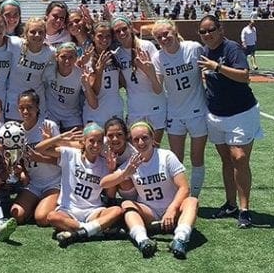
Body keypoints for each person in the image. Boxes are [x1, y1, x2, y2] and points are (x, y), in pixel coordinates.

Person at [197, 16, 263, 228]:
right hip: (216, 114)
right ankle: (230, 204)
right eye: (203, 32)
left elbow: (245, 76)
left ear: (220, 29)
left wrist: (217, 67)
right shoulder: (204, 52)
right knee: (226, 159)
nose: (207, 34)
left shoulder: (231, 48)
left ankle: (245, 209)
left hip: (241, 112)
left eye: (211, 30)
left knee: (239, 157)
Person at [101, 121, 198, 259]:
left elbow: (184, 188)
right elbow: (104, 183)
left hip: (172, 208)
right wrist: (124, 173)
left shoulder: (166, 156)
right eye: (136, 139)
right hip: (149, 211)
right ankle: (143, 240)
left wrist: (172, 209)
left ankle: (180, 239)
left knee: (192, 201)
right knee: (126, 204)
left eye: (145, 137)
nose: (141, 142)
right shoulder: (132, 162)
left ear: (153, 138)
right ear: (132, 142)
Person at [36, 123, 124, 248]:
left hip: (93, 210)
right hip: (68, 209)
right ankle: (92, 231)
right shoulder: (70, 154)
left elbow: (110, 194)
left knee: (117, 211)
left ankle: (75, 231)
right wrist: (59, 138)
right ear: (83, 141)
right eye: (91, 141)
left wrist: (111, 170)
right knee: (52, 216)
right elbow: (39, 149)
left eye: (99, 142)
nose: (95, 145)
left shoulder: (105, 163)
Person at [151, 20, 208, 197]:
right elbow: (158, 87)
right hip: (174, 113)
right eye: (159, 37)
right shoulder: (158, 58)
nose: (163, 38)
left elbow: (206, 71)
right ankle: (178, 197)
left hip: (197, 111)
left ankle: (194, 197)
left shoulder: (193, 48)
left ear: (175, 31)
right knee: (176, 159)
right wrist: (147, 70)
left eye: (166, 33)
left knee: (197, 158)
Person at [10, 90, 61, 226]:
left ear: (37, 107)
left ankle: (58, 203)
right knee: (16, 215)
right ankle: (38, 204)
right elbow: (19, 161)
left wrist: (41, 158)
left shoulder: (49, 126)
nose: (25, 111)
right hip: (34, 184)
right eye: (21, 108)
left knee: (41, 218)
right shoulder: (16, 131)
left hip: (54, 182)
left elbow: (64, 160)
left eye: (29, 107)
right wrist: (21, 172)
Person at [112, 17, 166, 143]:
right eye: (117, 31)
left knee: (154, 147)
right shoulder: (117, 54)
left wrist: (147, 70)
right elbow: (123, 83)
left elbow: (158, 86)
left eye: (124, 29)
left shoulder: (146, 46)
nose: (121, 33)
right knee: (135, 148)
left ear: (131, 27)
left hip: (155, 105)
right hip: (134, 107)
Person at [4, 18, 54, 120]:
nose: (37, 35)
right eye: (33, 32)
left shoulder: (50, 52)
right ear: (26, 33)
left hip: (36, 101)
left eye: (41, 32)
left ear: (45, 35)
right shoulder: (16, 44)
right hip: (14, 99)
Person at [44, 42, 96, 131]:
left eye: (71, 57)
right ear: (56, 57)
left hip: (71, 116)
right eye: (63, 57)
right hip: (51, 114)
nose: (67, 61)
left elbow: (94, 104)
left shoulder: (81, 74)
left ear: (76, 58)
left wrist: (86, 85)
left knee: (79, 142)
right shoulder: (49, 70)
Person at [83, 22, 124, 127]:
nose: (104, 40)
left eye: (107, 36)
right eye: (100, 36)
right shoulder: (89, 59)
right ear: (93, 37)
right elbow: (95, 92)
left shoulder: (116, 56)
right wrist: (99, 70)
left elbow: (121, 83)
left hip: (115, 110)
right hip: (96, 114)